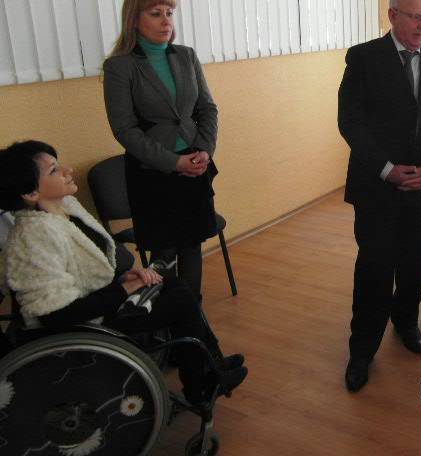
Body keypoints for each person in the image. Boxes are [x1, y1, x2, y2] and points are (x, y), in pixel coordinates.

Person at [0, 140, 247, 404]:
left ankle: (212, 365)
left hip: (99, 297)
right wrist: (123, 289)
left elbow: (91, 265)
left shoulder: (67, 208)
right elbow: (55, 313)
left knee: (174, 285)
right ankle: (201, 384)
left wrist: (123, 278)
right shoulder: (33, 237)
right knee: (180, 301)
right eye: (53, 170)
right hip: (82, 324)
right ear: (30, 193)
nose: (67, 170)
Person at [338, 0, 421, 392]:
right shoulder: (363, 58)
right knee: (374, 267)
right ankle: (362, 349)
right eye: (415, 16)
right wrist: (387, 169)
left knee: (413, 265)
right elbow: (351, 122)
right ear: (393, 15)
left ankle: (406, 322)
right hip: (377, 187)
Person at [103, 0, 219, 299]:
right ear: (134, 19)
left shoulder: (186, 55)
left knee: (191, 244)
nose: (166, 20)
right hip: (153, 171)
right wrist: (174, 161)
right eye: (156, 13)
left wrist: (204, 150)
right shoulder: (120, 66)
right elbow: (124, 129)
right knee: (164, 251)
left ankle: (191, 311)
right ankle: (163, 313)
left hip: (195, 164)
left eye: (169, 13)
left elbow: (207, 108)